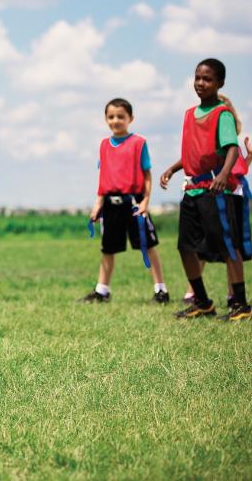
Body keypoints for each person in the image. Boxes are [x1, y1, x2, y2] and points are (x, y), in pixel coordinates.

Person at [160, 59, 250, 321]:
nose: (201, 83)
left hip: (214, 189)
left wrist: (222, 175)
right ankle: (202, 302)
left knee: (226, 247)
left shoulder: (222, 114)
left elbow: (232, 148)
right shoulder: (189, 114)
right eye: (198, 77)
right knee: (185, 247)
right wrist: (173, 168)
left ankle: (241, 305)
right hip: (192, 189)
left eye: (207, 79)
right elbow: (193, 152)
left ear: (220, 83)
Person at [79, 98, 168, 304]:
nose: (115, 120)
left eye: (121, 116)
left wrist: (146, 201)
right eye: (111, 117)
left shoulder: (138, 143)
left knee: (148, 245)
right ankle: (102, 291)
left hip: (134, 203)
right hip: (110, 204)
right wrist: (97, 204)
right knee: (107, 248)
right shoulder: (103, 145)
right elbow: (104, 178)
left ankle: (161, 290)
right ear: (105, 119)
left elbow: (147, 175)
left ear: (130, 118)